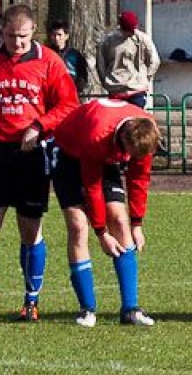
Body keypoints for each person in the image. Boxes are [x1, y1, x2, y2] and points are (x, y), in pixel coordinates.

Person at [0, 5, 80, 322]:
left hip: (31, 155)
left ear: (33, 31)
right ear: (1, 30)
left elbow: (69, 104)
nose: (17, 43)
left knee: (29, 228)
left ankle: (31, 300)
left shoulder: (49, 61)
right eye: (10, 36)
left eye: (22, 37)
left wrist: (40, 126)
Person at [50, 98, 162, 327]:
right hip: (69, 155)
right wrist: (101, 234)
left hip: (106, 154)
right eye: (130, 155)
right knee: (79, 226)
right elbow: (93, 188)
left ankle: (130, 308)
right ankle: (87, 309)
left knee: (121, 221)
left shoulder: (146, 133)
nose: (131, 160)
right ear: (123, 139)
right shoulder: (97, 135)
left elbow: (139, 179)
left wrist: (137, 223)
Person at [99, 11, 161, 108]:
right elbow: (101, 63)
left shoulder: (142, 39)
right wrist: (146, 78)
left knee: (128, 120)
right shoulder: (109, 41)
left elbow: (155, 61)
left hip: (133, 88)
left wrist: (145, 78)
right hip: (119, 88)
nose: (130, 33)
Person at [47, 20, 90, 94]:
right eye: (54, 35)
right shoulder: (47, 54)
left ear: (66, 36)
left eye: (59, 35)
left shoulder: (75, 55)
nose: (57, 38)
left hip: (70, 94)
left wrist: (76, 90)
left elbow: (82, 76)